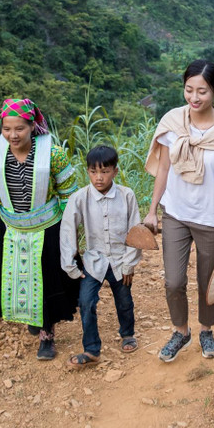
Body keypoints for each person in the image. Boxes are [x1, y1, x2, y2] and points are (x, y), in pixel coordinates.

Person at [143, 59, 214, 362]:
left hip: (212, 218)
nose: (195, 98)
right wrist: (152, 210)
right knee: (173, 281)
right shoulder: (173, 123)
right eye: (189, 90)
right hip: (175, 213)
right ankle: (181, 331)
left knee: (207, 282)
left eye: (202, 91)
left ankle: (206, 329)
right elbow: (163, 168)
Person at [0, 98, 80, 361]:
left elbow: (69, 195)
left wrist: (71, 233)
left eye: (19, 128)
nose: (13, 135)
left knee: (45, 283)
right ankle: (34, 316)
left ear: (32, 126)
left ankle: (47, 336)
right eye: (6, 129)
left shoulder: (52, 155)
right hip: (11, 229)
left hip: (47, 229)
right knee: (18, 279)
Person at [60, 145, 141, 368]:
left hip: (119, 260)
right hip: (93, 261)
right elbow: (68, 229)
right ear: (87, 172)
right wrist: (70, 265)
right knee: (86, 303)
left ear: (115, 171)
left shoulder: (126, 196)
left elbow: (135, 229)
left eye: (105, 171)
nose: (99, 177)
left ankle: (127, 334)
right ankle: (92, 348)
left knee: (124, 300)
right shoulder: (80, 198)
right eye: (94, 172)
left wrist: (129, 263)